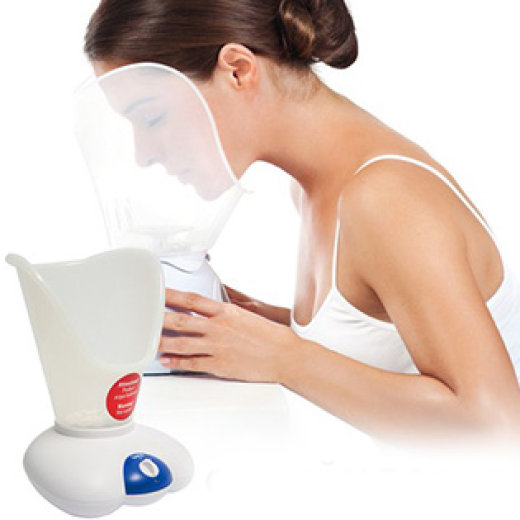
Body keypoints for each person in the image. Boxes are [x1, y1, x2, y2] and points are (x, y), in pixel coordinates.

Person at [84, 0, 520, 445]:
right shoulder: (315, 186)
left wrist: (286, 358)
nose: (144, 154)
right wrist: (256, 327)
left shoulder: (385, 199)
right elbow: (387, 344)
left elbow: (498, 426)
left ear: (238, 70)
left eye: (152, 117)